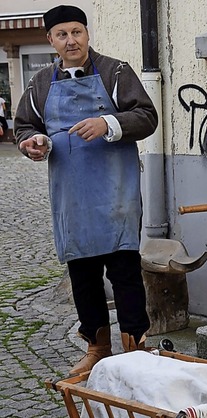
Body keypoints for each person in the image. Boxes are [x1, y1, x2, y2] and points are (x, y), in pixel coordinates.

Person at [14, 4, 157, 376]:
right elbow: (24, 126)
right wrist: (32, 142)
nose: (71, 40)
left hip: (116, 192)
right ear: (51, 40)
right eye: (62, 34)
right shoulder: (40, 83)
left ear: (87, 34)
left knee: (125, 271)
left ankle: (135, 345)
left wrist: (108, 121)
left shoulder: (116, 71)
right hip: (71, 196)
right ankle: (97, 347)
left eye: (76, 31)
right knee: (83, 273)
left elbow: (147, 116)